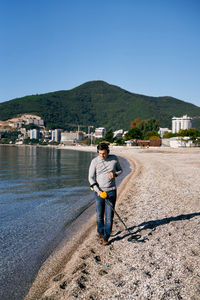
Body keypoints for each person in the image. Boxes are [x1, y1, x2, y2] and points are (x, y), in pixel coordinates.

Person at [88, 142, 123, 245]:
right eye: (100, 153)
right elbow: (90, 178)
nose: (102, 156)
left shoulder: (114, 159)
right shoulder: (94, 161)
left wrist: (115, 174)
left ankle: (106, 237)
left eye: (104, 153)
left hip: (111, 191)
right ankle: (100, 232)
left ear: (108, 151)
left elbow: (120, 170)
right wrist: (98, 190)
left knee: (109, 216)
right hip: (99, 192)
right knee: (99, 215)